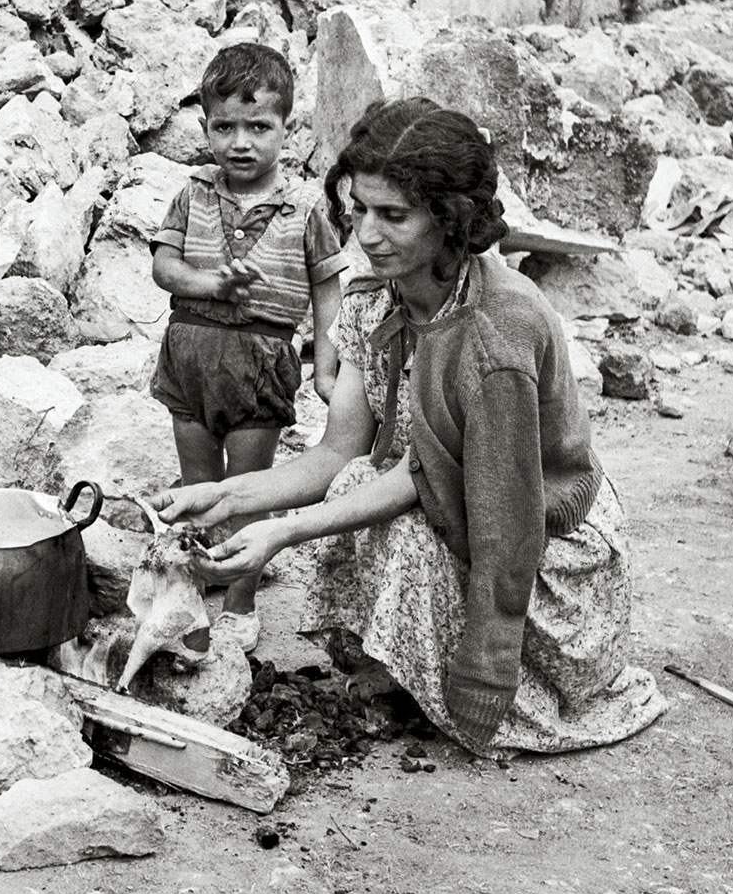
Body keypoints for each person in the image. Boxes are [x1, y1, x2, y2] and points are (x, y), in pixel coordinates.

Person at [155, 97, 664, 755]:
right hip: (454, 501)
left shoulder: (496, 335)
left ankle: (492, 691)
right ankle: (406, 667)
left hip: (538, 544)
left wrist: (280, 532)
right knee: (353, 488)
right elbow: (337, 452)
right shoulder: (381, 299)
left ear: (451, 222)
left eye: (393, 215)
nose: (366, 234)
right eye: (360, 208)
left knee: (400, 528)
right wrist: (220, 497)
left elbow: (476, 511)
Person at [147, 42, 348, 612]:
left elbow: (327, 292)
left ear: (288, 128)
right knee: (196, 487)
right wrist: (210, 285)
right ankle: (194, 586)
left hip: (260, 365)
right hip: (187, 356)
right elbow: (164, 267)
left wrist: (327, 369)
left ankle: (240, 604)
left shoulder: (306, 208)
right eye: (224, 126)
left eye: (258, 126)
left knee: (246, 491)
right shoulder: (193, 193)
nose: (240, 142)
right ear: (206, 127)